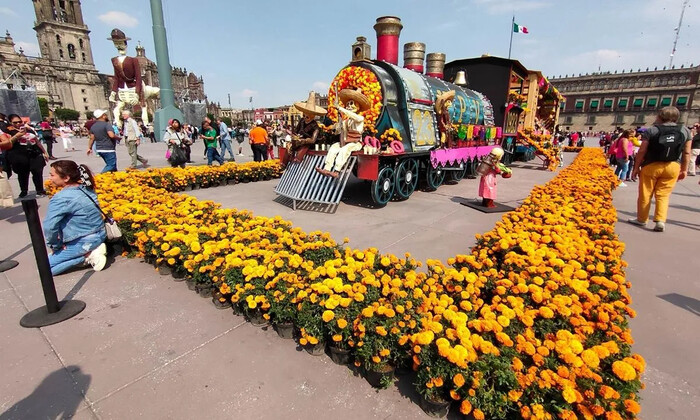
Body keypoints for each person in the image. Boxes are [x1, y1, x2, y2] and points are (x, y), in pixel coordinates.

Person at [628, 106, 692, 232]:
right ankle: (660, 221)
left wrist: (636, 168)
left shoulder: (652, 130)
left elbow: (642, 150)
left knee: (645, 194)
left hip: (651, 165)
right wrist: (684, 169)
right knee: (663, 195)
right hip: (673, 166)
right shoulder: (685, 130)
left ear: (660, 116)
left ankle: (642, 219)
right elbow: (686, 153)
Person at [44, 160, 107, 275]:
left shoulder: (61, 198)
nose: (49, 178)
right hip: (100, 234)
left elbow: (49, 227)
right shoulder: (86, 188)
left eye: (52, 175)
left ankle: (87, 256)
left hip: (83, 242)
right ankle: (87, 252)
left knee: (44, 269)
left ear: (66, 178)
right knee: (51, 259)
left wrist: (55, 245)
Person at [316, 88, 369, 178]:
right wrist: (336, 126)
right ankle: (327, 168)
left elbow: (354, 116)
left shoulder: (360, 118)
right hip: (345, 142)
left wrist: (340, 108)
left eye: (351, 103)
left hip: (356, 143)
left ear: (358, 106)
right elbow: (338, 130)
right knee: (333, 147)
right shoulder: (346, 121)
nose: (349, 106)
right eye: (347, 104)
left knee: (345, 149)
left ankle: (337, 171)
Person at [3, 114, 49, 198]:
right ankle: (24, 190)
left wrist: (44, 152)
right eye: (15, 122)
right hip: (19, 155)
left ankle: (40, 190)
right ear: (10, 122)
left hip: (34, 153)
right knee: (22, 174)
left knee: (37, 172)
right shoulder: (8, 131)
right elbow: (7, 143)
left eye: (19, 121)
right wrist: (17, 135)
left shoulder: (28, 129)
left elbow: (37, 141)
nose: (18, 124)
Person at [283, 91, 326, 167]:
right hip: (299, 140)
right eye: (304, 115)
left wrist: (303, 141)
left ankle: (298, 160)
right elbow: (296, 131)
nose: (305, 118)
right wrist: (294, 137)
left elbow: (313, 140)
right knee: (289, 145)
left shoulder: (315, 126)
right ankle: (284, 163)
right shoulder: (301, 121)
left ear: (312, 116)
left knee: (304, 147)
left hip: (310, 144)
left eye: (307, 117)